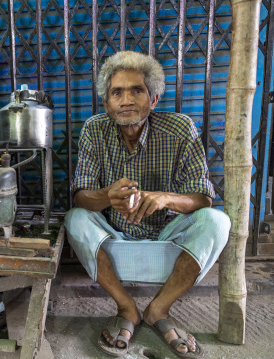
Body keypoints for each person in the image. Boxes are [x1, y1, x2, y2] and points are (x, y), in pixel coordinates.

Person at [64, 51, 230, 358]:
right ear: (106, 103)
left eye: (136, 91)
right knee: (74, 217)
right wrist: (106, 196)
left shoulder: (180, 129)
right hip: (115, 238)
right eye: (117, 93)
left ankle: (158, 309)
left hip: (169, 239)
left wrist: (166, 198)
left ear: (153, 99)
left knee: (217, 221)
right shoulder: (94, 129)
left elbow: (203, 197)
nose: (126, 100)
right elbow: (80, 196)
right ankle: (127, 308)